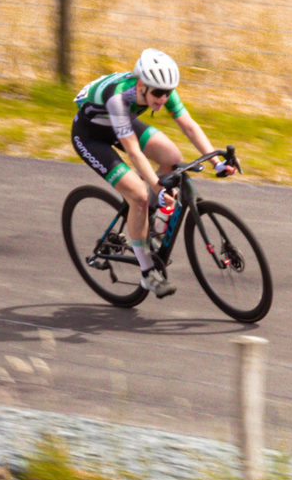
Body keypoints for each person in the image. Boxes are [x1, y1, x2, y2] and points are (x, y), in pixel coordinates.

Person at [70, 48, 232, 298]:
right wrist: (157, 187)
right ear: (142, 85)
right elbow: (133, 152)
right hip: (90, 136)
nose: (163, 98)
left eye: (167, 92)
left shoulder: (161, 89)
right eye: (158, 93)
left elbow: (189, 126)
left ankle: (150, 222)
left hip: (118, 124)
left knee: (172, 157)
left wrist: (217, 163)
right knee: (138, 195)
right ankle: (148, 273)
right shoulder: (119, 98)